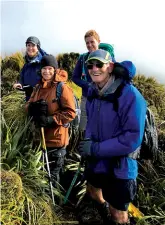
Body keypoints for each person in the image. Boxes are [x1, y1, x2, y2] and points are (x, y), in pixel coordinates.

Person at [78, 49, 147, 225]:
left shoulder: (130, 95)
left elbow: (132, 138)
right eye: (90, 65)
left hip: (120, 166)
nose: (94, 69)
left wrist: (95, 149)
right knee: (94, 192)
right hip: (97, 161)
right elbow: (92, 125)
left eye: (99, 64)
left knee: (118, 214)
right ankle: (104, 216)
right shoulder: (93, 93)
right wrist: (87, 141)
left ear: (110, 67)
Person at [25, 54, 76, 187]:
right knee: (40, 177)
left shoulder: (62, 88)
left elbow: (70, 113)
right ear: (40, 70)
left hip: (56, 142)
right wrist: (32, 109)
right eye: (44, 68)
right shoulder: (37, 87)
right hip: (39, 141)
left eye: (50, 68)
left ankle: (54, 206)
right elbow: (27, 105)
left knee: (52, 181)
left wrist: (49, 120)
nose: (46, 71)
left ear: (55, 70)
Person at [13, 36, 47, 101]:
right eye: (28, 45)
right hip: (29, 101)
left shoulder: (44, 63)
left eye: (33, 45)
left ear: (38, 48)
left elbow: (50, 81)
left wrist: (35, 89)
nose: (30, 48)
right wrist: (19, 84)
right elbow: (22, 78)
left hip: (42, 101)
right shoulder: (26, 65)